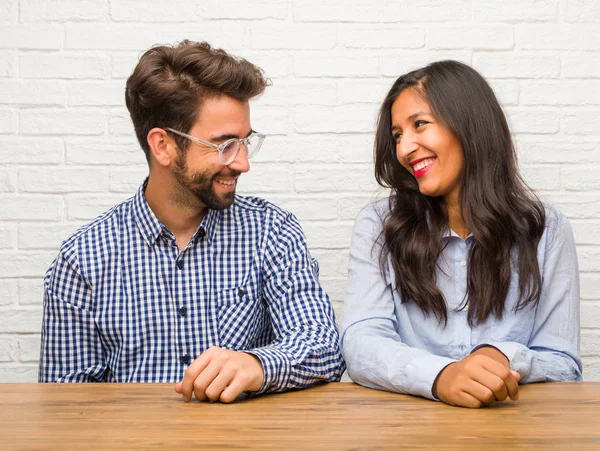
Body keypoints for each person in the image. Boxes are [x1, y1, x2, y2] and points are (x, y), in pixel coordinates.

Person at [39, 40, 344, 403]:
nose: (243, 163)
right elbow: (64, 404)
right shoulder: (83, 259)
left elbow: (323, 347)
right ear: (163, 146)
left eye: (245, 142)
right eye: (224, 145)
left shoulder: (271, 231)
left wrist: (257, 365)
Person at [341, 60, 581, 408]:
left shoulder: (546, 231)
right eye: (397, 135)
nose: (405, 148)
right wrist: (441, 377)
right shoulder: (379, 225)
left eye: (419, 125)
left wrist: (501, 357)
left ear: (470, 125)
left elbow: (563, 363)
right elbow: (361, 344)